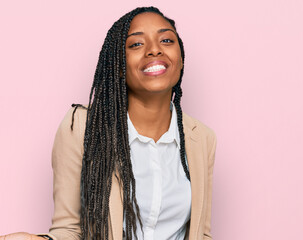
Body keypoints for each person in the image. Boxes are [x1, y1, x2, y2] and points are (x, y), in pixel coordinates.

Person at [0, 6, 217, 240]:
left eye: (166, 40)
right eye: (136, 44)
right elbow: (69, 229)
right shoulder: (81, 128)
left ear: (181, 60)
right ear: (118, 66)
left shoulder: (201, 138)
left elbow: (200, 233)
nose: (154, 50)